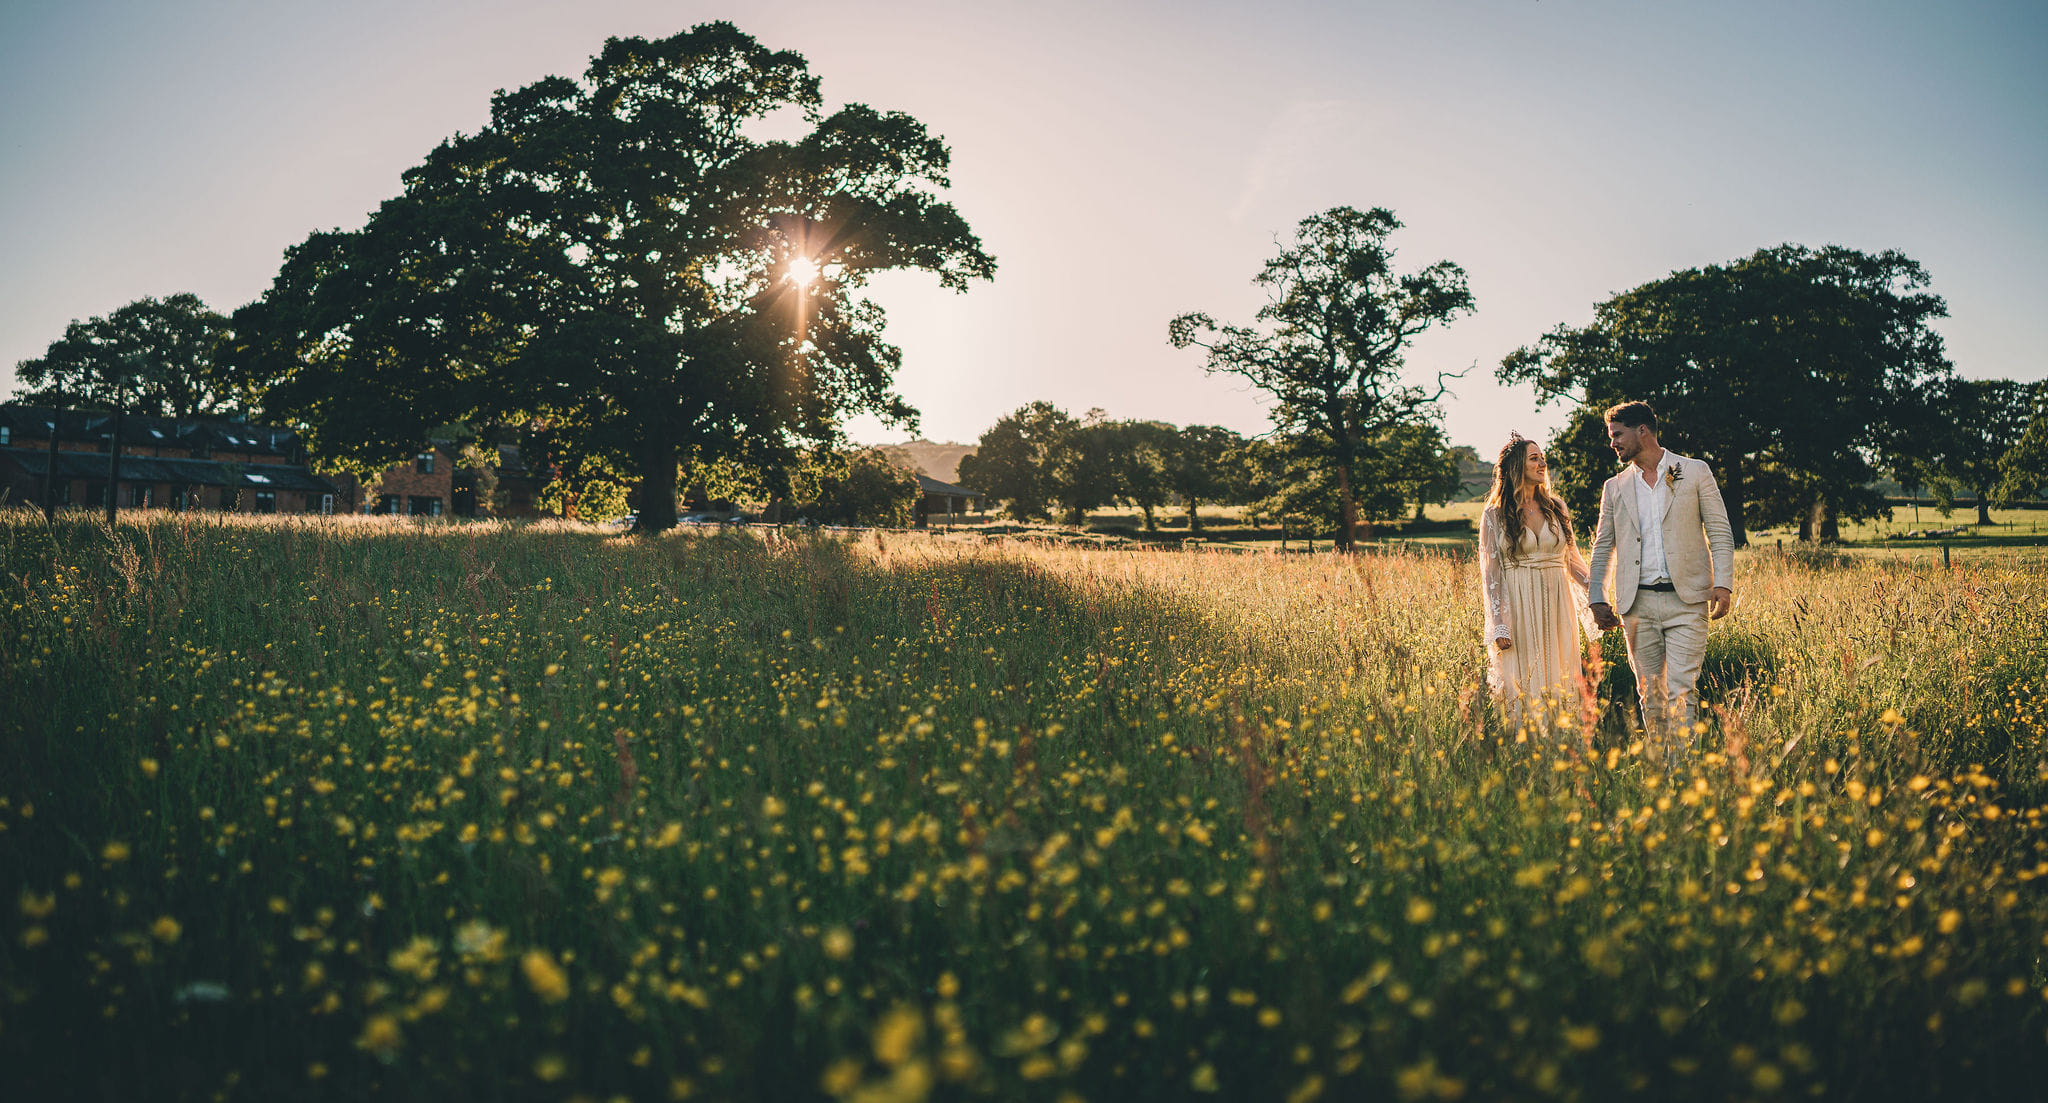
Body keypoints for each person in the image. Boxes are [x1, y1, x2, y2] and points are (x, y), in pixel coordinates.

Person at [1586, 401, 1735, 767]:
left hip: (1687, 601)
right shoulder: (1615, 486)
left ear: (1642, 431)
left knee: (1680, 691)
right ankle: (1664, 769)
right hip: (1636, 605)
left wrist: (1724, 583)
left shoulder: (1694, 471)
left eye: (1617, 435)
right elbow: (1604, 544)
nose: (1613, 443)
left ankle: (1682, 774)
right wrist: (1596, 597)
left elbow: (1719, 530)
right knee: (1650, 695)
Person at [1479, 432, 1598, 735]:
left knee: (1560, 672)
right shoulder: (1494, 514)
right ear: (1517, 465)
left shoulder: (1557, 507)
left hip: (1558, 604)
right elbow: (1491, 574)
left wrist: (1599, 597)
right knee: (1525, 676)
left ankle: (1564, 744)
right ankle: (1528, 749)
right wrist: (1498, 624)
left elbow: (1574, 563)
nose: (1543, 462)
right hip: (1518, 606)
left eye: (1542, 456)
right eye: (1534, 457)